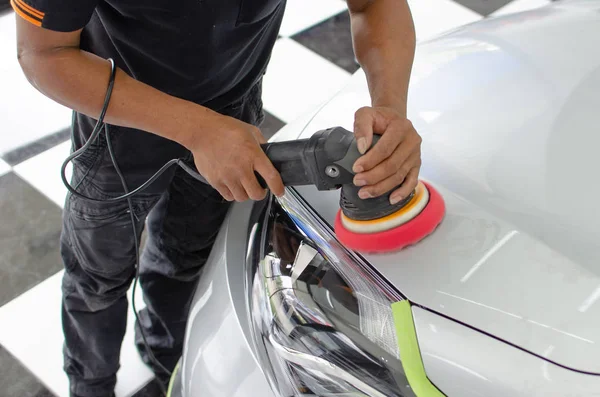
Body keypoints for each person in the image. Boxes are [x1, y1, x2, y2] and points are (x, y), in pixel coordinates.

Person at [13, 0, 422, 395]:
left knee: (185, 258)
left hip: (233, 113)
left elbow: (373, 4)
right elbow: (44, 53)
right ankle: (90, 383)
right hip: (119, 122)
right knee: (97, 278)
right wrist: (197, 129)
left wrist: (390, 108)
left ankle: (168, 357)